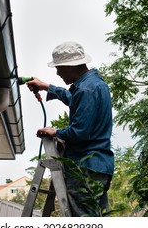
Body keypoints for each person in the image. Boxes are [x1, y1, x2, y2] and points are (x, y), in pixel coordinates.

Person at [26, 41, 114, 217]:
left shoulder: (86, 90)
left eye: (59, 68)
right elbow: (73, 98)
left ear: (69, 66)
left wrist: (56, 132)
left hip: (86, 167)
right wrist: (47, 87)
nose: (58, 72)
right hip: (99, 166)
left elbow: (80, 132)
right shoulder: (93, 84)